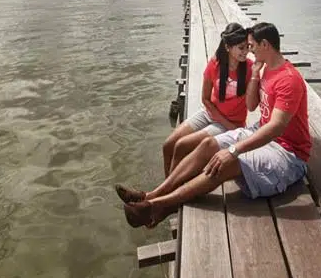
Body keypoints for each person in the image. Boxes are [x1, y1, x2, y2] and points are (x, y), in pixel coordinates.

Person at [114, 21, 310, 228]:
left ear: (265, 45)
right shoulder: (265, 70)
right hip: (259, 131)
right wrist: (254, 75)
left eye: (251, 46)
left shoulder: (289, 79)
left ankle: (156, 205)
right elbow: (252, 106)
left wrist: (233, 150)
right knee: (208, 146)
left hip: (288, 154)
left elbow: (277, 127)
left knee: (226, 162)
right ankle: (152, 195)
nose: (249, 51)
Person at [162, 23, 257, 181]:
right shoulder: (215, 64)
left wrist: (231, 126)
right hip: (211, 114)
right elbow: (205, 99)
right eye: (241, 48)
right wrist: (223, 121)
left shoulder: (249, 68)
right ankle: (167, 186)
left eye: (247, 47)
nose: (246, 52)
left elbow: (252, 105)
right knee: (168, 145)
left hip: (231, 122)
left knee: (181, 145)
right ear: (228, 47)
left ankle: (167, 192)